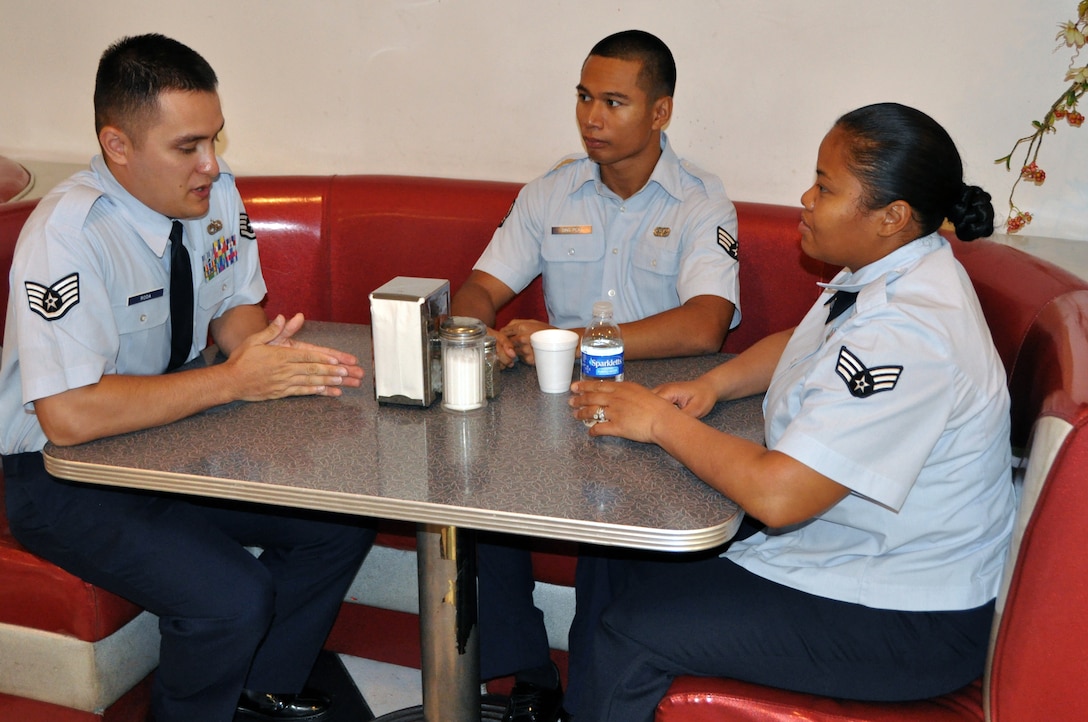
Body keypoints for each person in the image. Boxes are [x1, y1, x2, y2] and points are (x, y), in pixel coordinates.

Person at [567, 102, 1017, 721]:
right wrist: (713, 385)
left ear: (892, 217)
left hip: (905, 610)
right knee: (614, 548)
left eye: (825, 188)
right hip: (848, 547)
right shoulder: (891, 270)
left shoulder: (911, 331)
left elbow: (779, 496)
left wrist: (658, 422)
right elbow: (803, 345)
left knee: (631, 630)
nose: (805, 199)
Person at [0, 34, 375, 722]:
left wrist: (263, 354)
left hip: (170, 440)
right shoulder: (68, 233)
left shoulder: (214, 193)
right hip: (60, 476)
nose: (212, 164)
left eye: (214, 139)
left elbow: (233, 303)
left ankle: (255, 690)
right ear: (118, 146)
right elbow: (69, 417)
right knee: (231, 598)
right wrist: (234, 382)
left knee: (338, 523)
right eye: (188, 147)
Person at [449, 29, 741, 722]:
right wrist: (482, 337)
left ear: (660, 112)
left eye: (613, 102)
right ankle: (527, 676)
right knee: (469, 483)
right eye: (584, 98)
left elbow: (706, 324)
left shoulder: (700, 201)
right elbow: (479, 290)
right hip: (556, 410)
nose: (592, 117)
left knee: (612, 516)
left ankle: (591, 701)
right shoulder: (551, 193)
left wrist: (570, 340)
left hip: (659, 414)